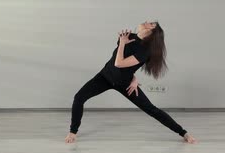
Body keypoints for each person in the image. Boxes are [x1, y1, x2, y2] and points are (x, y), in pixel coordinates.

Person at [65, 21, 197, 144]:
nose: (147, 22)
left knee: (151, 109)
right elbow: (120, 61)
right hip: (104, 77)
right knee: (79, 97)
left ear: (152, 34)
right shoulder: (128, 36)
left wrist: (123, 44)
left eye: (151, 25)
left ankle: (183, 133)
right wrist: (135, 77)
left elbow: (119, 63)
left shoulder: (144, 51)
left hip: (124, 84)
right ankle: (73, 132)